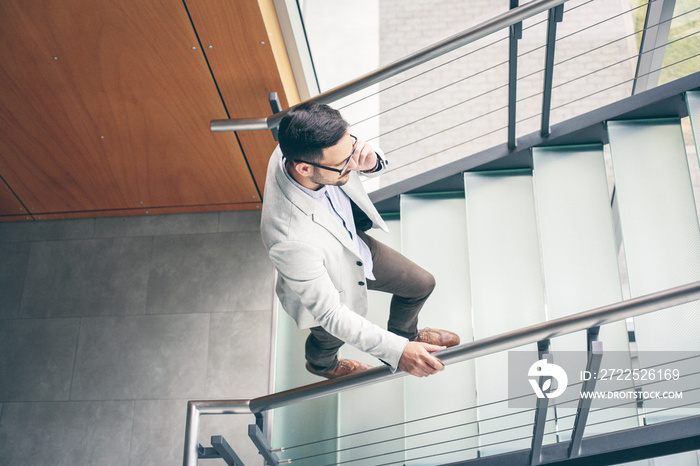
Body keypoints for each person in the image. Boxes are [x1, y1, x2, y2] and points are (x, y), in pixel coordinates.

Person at [260, 101, 460, 379]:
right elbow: (330, 313)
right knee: (329, 337)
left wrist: (371, 160)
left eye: (351, 146)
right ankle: (322, 365)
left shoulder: (297, 140)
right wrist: (397, 352)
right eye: (344, 164)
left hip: (351, 245)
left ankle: (407, 335)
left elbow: (355, 156)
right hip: (327, 280)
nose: (353, 164)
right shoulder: (289, 240)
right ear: (305, 169)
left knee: (421, 284)